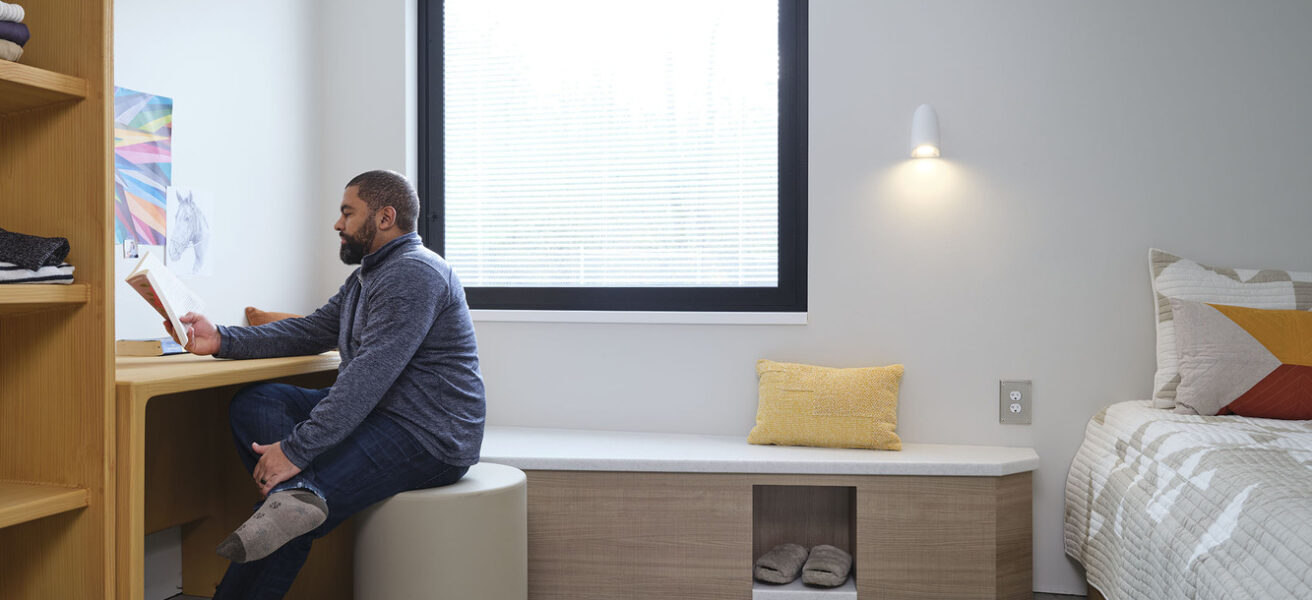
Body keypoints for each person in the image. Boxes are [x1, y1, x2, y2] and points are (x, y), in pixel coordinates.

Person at [167, 170, 485, 599]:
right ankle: (301, 496)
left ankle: (295, 503)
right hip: (384, 415)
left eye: (348, 212)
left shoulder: (415, 273)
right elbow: (309, 331)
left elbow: (367, 377)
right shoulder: (367, 277)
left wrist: (296, 451)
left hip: (428, 434)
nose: (338, 224)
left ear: (386, 217)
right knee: (257, 402)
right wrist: (221, 338)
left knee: (286, 521)